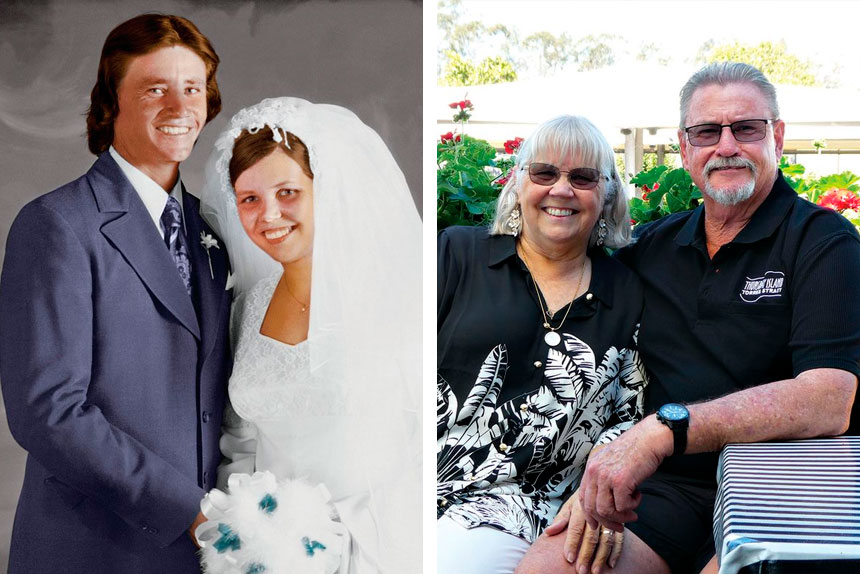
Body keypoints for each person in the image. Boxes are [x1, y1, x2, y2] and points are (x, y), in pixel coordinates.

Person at [517, 62, 860, 574]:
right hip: (666, 486)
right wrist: (592, 469)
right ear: (685, 148)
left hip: (781, 483)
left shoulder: (824, 244)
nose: (726, 146)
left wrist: (661, 432)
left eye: (746, 128)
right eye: (706, 132)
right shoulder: (652, 247)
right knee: (550, 568)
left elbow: (827, 399)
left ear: (777, 137)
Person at [0, 13, 232, 574]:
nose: (180, 107)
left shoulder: (218, 230)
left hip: (208, 553)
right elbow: (47, 412)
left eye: (192, 88)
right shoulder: (56, 224)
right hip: (93, 549)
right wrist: (188, 511)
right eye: (155, 89)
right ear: (112, 102)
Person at [194, 97, 421, 574]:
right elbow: (242, 439)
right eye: (249, 198)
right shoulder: (247, 309)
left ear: (326, 190)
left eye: (288, 192)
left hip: (378, 544)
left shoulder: (392, 299)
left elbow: (424, 438)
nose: (269, 215)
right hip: (273, 556)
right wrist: (246, 531)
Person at [437, 115, 648, 574]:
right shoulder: (457, 254)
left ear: (607, 194)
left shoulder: (627, 292)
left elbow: (626, 414)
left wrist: (595, 493)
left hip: (514, 508)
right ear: (518, 183)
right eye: (544, 173)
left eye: (583, 177)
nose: (562, 189)